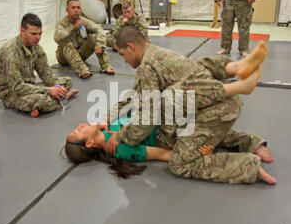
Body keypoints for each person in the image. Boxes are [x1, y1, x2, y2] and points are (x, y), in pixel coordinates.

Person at [102, 27, 275, 185]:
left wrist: (120, 136)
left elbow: (147, 120)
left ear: (131, 47)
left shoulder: (146, 69)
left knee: (179, 163)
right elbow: (132, 98)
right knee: (194, 67)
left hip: (218, 107)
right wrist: (105, 118)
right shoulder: (159, 54)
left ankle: (246, 165)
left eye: (123, 54)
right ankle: (233, 67)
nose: (124, 60)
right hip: (214, 108)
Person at [65, 117, 214, 178]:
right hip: (171, 130)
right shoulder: (120, 150)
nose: (80, 125)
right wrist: (197, 153)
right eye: (78, 130)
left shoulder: (106, 129)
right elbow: (163, 154)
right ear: (89, 143)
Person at [0, 13, 78, 117]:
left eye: (40, 33)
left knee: (67, 82)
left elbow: (45, 74)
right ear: (22, 31)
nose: (38, 37)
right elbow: (17, 87)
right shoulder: (11, 54)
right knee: (42, 101)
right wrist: (49, 90)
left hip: (29, 87)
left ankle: (34, 106)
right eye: (33, 34)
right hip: (11, 93)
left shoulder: (36, 48)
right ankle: (64, 97)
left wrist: (58, 87)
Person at [54, 0, 115, 78]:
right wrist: (73, 27)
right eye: (73, 8)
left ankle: (106, 66)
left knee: (94, 38)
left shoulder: (83, 21)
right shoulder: (62, 23)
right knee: (66, 43)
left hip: (80, 54)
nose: (76, 10)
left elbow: (99, 29)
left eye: (78, 8)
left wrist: (99, 45)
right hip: (64, 58)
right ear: (67, 10)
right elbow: (57, 38)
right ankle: (82, 70)